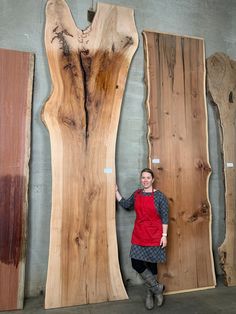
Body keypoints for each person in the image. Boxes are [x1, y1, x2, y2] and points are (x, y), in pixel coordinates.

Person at [115, 168, 169, 310]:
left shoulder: (160, 197)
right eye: (143, 177)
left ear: (153, 180)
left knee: (152, 264)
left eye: (148, 178)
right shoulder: (137, 194)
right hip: (139, 234)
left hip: (155, 235)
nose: (145, 180)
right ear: (141, 179)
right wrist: (116, 191)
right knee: (136, 263)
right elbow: (126, 205)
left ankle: (150, 293)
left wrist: (164, 236)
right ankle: (158, 288)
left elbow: (165, 218)